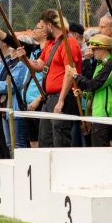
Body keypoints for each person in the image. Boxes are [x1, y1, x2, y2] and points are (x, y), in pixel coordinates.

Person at [14, 10, 82, 148]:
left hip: (63, 97)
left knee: (60, 139)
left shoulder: (69, 43)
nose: (43, 31)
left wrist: (61, 100)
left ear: (50, 26)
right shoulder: (51, 45)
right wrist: (25, 59)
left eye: (43, 27)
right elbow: (39, 65)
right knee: (45, 139)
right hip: (49, 98)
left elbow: (70, 72)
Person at [66, 34, 112, 147]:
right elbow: (96, 91)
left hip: (106, 116)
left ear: (102, 49)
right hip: (97, 115)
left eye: (94, 49)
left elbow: (93, 84)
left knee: (102, 153)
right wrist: (83, 94)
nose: (92, 52)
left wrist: (76, 76)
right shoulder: (100, 65)